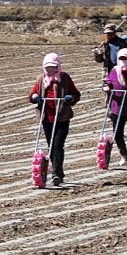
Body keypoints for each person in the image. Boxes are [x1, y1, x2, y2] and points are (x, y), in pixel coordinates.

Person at [28, 53, 81, 186]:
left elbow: (76, 94)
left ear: (58, 66)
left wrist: (70, 98)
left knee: (57, 146)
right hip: (46, 118)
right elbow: (32, 94)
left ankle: (57, 173)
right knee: (51, 147)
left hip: (62, 117)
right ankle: (57, 172)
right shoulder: (41, 79)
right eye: (48, 67)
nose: (51, 70)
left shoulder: (64, 78)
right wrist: (35, 97)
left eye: (53, 67)